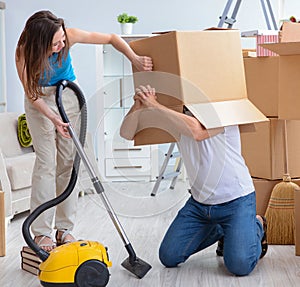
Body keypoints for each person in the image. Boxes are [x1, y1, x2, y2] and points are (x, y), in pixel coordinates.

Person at [15, 10, 153, 252]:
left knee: (69, 163)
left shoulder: (70, 35)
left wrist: (134, 58)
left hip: (67, 95)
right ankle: (42, 233)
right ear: (39, 43)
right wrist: (54, 118)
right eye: (55, 43)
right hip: (39, 103)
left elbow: (111, 38)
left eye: (62, 40)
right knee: (47, 163)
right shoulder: (24, 51)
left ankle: (64, 229)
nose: (61, 45)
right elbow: (32, 93)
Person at [120, 84, 268, 276]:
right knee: (169, 257)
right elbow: (126, 133)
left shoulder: (224, 106)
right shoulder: (174, 112)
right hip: (200, 205)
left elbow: (197, 132)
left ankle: (257, 225)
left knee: (239, 266)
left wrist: (155, 106)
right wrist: (139, 106)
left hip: (236, 201)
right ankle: (226, 231)